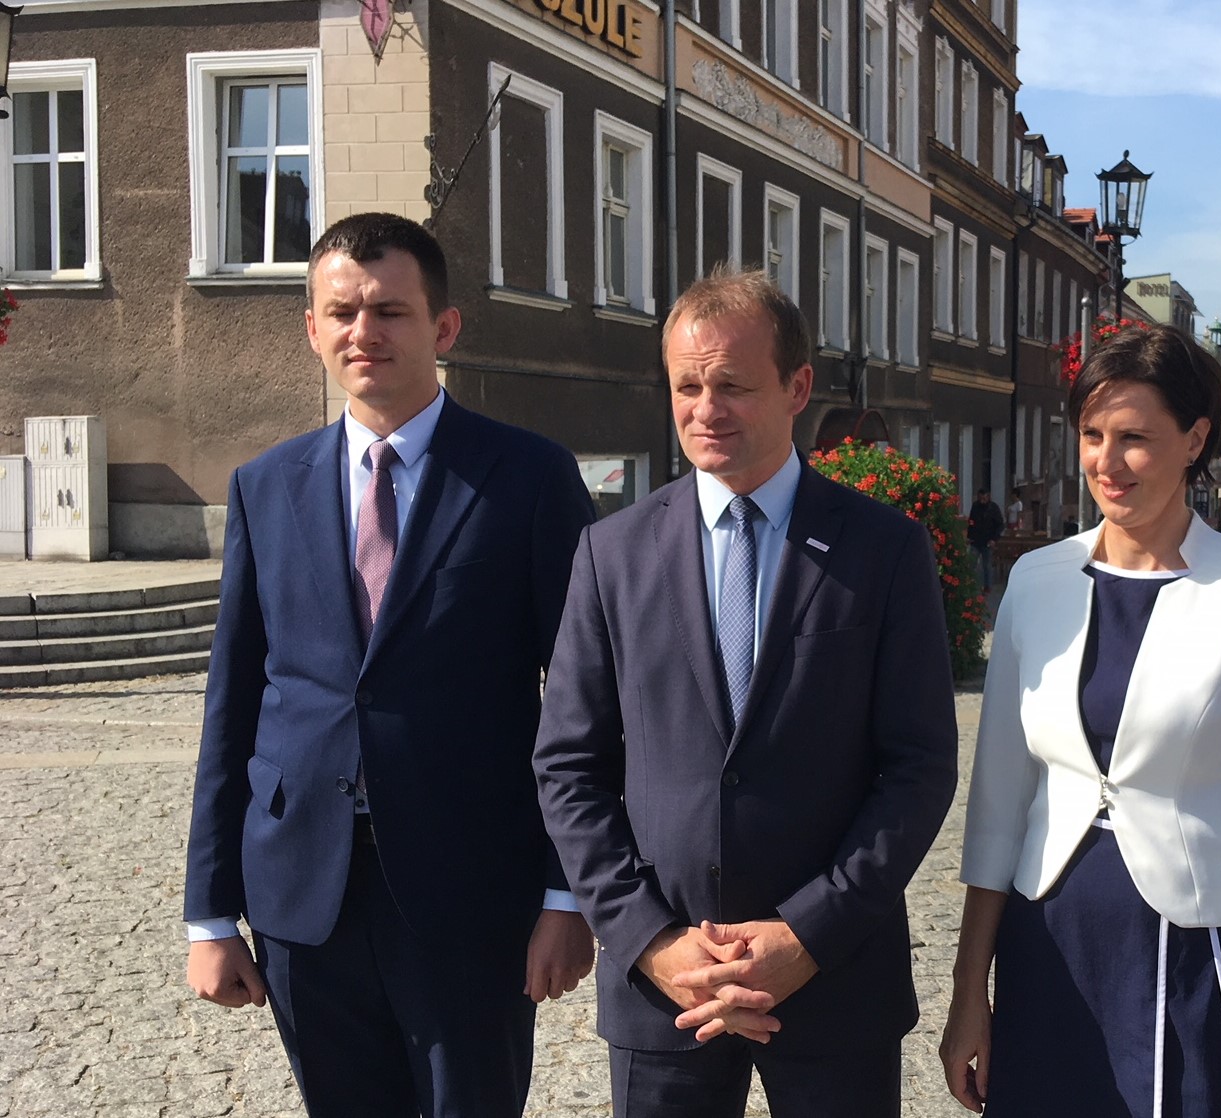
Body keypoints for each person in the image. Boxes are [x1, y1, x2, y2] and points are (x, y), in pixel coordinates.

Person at [182, 212, 598, 1116]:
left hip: (469, 891)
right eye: (340, 313)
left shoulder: (525, 478)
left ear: (443, 328)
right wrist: (210, 913)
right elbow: (236, 699)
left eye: (390, 312)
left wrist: (568, 896)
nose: (362, 332)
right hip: (302, 892)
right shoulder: (267, 483)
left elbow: (582, 701)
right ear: (311, 329)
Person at [533, 268, 957, 1118]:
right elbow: (569, 766)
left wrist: (808, 934)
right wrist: (651, 941)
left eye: (732, 385)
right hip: (669, 990)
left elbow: (916, 767)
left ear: (797, 387)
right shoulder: (611, 556)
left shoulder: (882, 551)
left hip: (833, 979)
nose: (705, 409)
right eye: (687, 385)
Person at [941, 325, 1221, 1118]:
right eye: (1091, 435)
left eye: (1134, 439)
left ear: (1193, 440)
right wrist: (966, 992)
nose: (1106, 463)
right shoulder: (1036, 580)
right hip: (1048, 941)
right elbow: (997, 807)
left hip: (1199, 946)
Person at [968, 487, 1004, 590]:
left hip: (988, 541)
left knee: (987, 565)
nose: (982, 500)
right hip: (975, 540)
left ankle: (987, 586)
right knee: (971, 563)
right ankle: (969, 585)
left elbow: (1000, 525)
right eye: (980, 498)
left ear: (988, 497)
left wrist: (994, 539)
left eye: (984, 498)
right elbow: (971, 522)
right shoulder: (975, 506)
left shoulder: (993, 508)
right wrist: (969, 536)